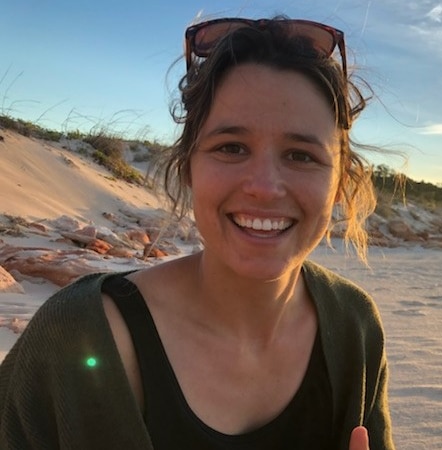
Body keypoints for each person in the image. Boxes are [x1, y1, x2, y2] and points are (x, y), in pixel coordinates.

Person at [0, 16, 394, 449]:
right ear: (188, 167)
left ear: (339, 182)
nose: (263, 186)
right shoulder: (77, 335)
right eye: (231, 147)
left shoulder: (355, 329)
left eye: (300, 156)